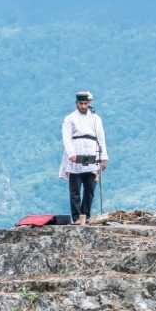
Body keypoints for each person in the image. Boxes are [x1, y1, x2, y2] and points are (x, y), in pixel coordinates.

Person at [59, 91, 107, 224]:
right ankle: (76, 217)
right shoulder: (70, 118)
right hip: (76, 152)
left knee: (90, 187)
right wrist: (71, 154)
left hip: (92, 152)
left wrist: (103, 158)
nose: (83, 106)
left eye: (85, 103)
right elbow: (66, 138)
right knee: (75, 189)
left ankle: (85, 215)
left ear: (89, 103)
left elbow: (101, 138)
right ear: (76, 103)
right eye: (81, 103)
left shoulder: (96, 118)